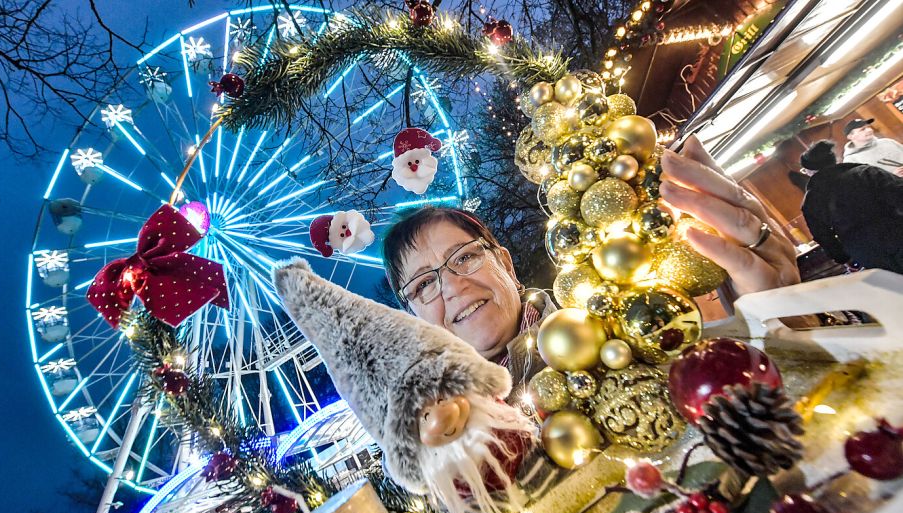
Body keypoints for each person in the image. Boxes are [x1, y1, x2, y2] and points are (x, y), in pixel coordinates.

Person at [381, 136, 801, 398]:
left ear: (505, 264)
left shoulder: (624, 328)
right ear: (412, 316)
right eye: (422, 286)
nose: (452, 285)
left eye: (465, 257)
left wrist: (786, 321)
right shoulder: (447, 441)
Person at [800, 140, 903, 273]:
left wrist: (843, 258)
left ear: (809, 171)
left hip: (866, 253)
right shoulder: (866, 173)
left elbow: (823, 236)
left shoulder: (810, 202)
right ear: (835, 160)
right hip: (897, 232)